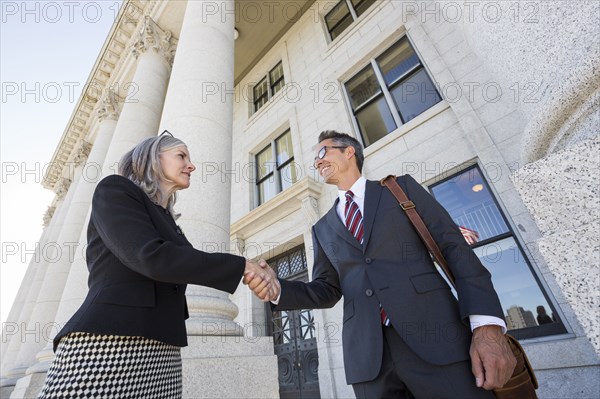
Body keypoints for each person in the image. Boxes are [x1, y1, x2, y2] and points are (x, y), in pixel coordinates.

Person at [245, 130, 516, 398]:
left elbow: (455, 251)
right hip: (369, 361)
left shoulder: (401, 190)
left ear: (349, 151)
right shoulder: (322, 228)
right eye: (315, 159)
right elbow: (326, 289)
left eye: (322, 153)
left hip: (437, 341)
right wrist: (278, 289)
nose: (317, 162)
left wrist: (487, 328)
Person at [38, 132, 279, 399]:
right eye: (182, 156)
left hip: (164, 352)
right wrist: (243, 266)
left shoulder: (169, 222)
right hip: (109, 342)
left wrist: (257, 273)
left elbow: (191, 263)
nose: (191, 165)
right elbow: (151, 257)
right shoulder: (115, 189)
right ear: (154, 157)